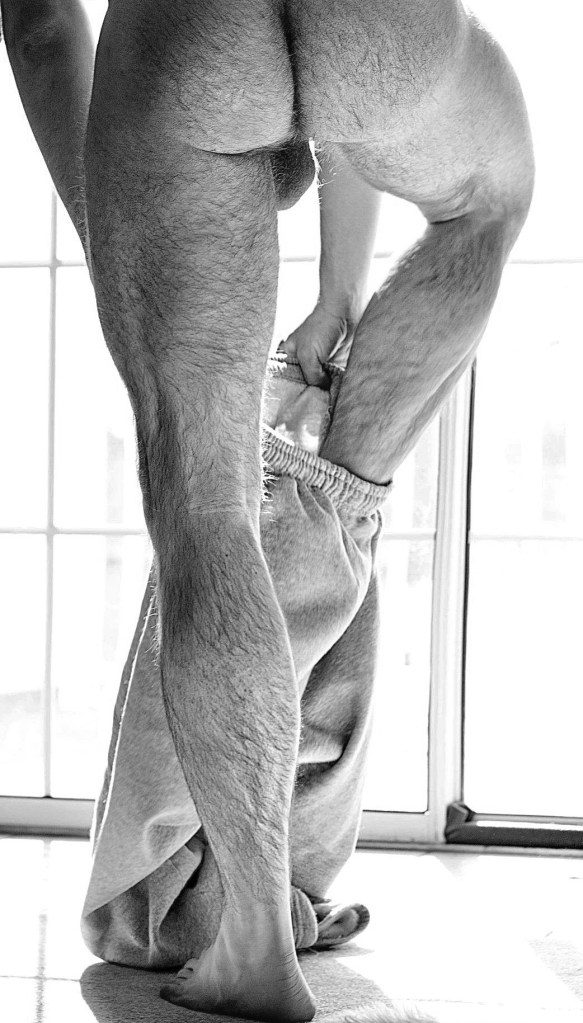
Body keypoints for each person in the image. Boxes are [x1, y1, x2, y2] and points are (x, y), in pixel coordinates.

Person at [3, 2, 534, 1020]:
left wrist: (130, 227)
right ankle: (337, 493)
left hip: (189, 40)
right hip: (377, 26)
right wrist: (339, 291)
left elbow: (39, 26)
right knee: (486, 200)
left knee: (207, 516)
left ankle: (250, 938)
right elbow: (340, 107)